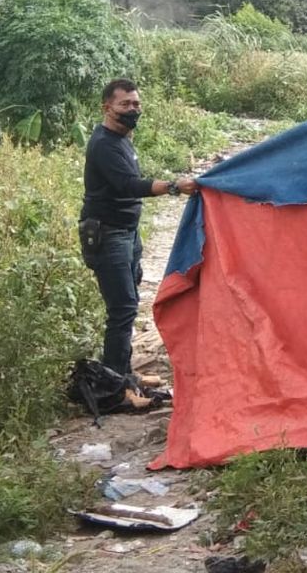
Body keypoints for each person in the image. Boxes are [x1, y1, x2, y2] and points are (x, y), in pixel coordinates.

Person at [79, 79, 197, 403]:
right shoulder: (104, 143)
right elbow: (128, 185)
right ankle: (115, 390)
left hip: (126, 233)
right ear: (107, 107)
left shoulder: (122, 139)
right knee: (122, 308)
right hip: (108, 234)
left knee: (127, 307)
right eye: (125, 105)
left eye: (136, 104)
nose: (133, 110)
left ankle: (123, 373)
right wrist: (174, 186)